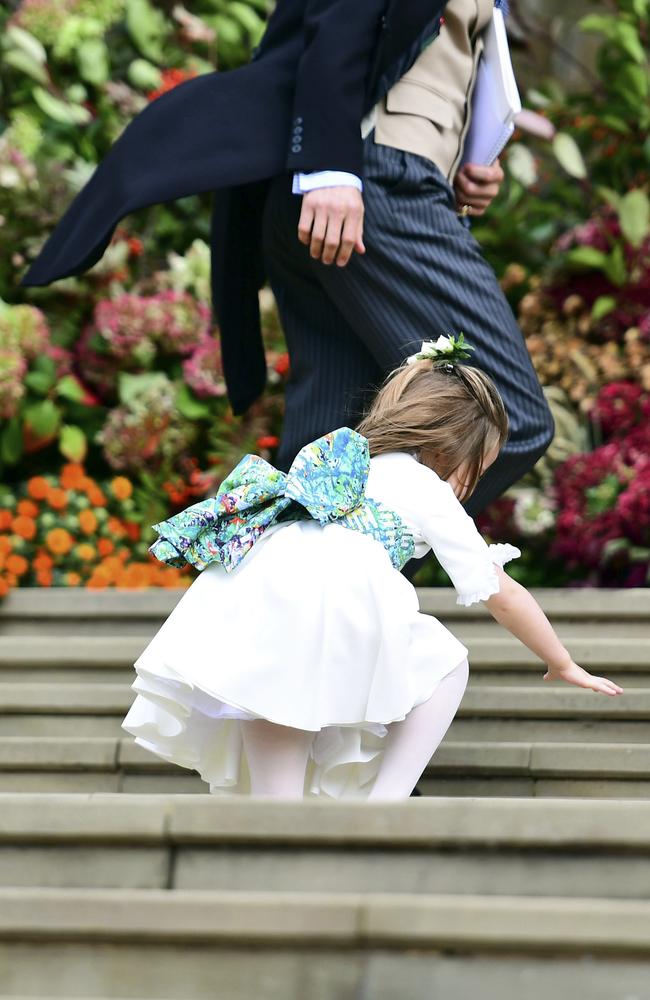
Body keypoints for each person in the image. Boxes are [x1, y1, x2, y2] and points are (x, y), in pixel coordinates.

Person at [20, 0, 553, 515]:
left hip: (371, 184)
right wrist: (328, 165)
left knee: (330, 458)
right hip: (368, 186)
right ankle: (332, 585)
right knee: (498, 416)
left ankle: (287, 597)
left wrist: (463, 160)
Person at [121, 339, 623, 801]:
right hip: (336, 594)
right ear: (452, 450)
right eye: (478, 468)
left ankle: (274, 820)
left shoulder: (346, 463)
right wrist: (562, 662)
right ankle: (387, 801)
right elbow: (502, 593)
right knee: (445, 662)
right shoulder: (427, 488)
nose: (472, 484)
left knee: (271, 694)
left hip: (266, 583)